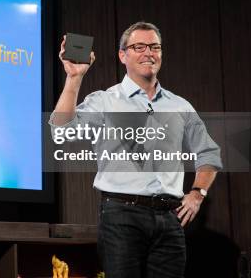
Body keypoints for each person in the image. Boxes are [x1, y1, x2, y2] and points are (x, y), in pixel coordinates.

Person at [50, 21, 222, 278]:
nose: (148, 53)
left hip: (169, 219)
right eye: (138, 46)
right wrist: (74, 77)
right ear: (122, 55)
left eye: (154, 47)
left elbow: (208, 153)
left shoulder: (179, 105)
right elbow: (62, 131)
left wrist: (198, 192)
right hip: (121, 217)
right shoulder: (105, 100)